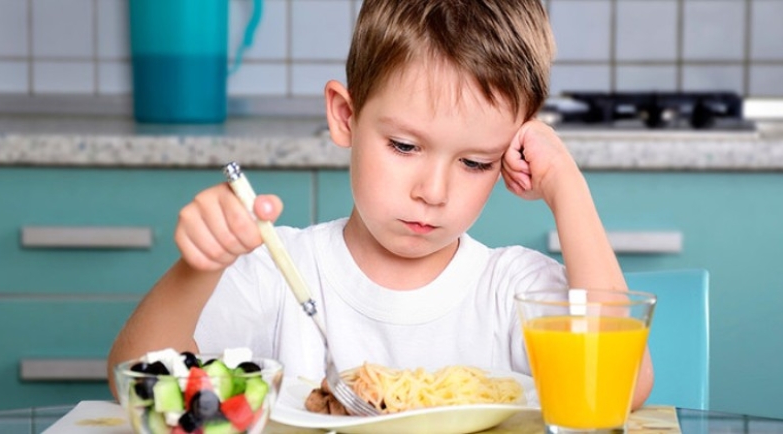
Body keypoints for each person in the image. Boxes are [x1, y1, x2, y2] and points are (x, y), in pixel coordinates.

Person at [107, 0, 653, 410]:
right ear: (346, 117)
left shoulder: (511, 289)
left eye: (476, 162)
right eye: (405, 147)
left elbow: (616, 388)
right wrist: (198, 269)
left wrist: (567, 188)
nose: (433, 192)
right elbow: (135, 381)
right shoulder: (281, 272)